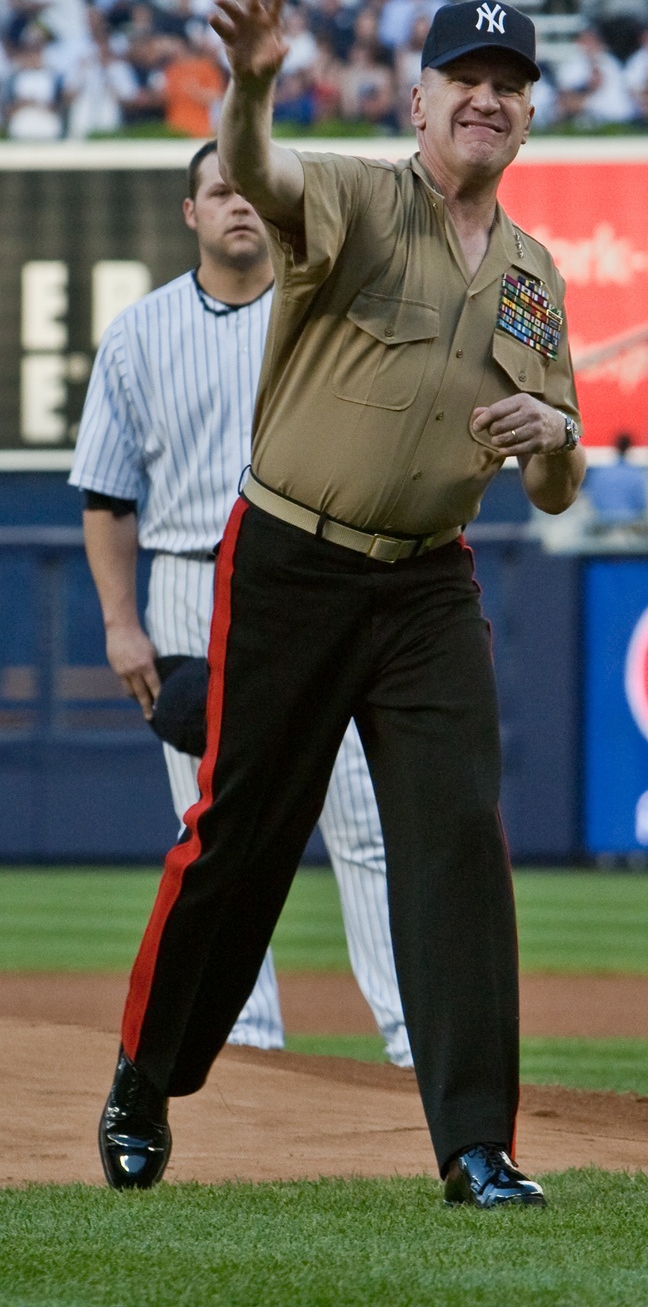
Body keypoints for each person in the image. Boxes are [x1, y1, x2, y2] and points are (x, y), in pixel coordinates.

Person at [97, 0, 584, 1210]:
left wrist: (555, 433)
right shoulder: (362, 197)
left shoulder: (531, 277)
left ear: (528, 116)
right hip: (293, 559)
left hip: (428, 581)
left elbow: (563, 485)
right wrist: (251, 82)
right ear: (417, 100)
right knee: (242, 836)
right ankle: (148, 1073)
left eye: (508, 82)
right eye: (464, 76)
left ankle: (476, 1145)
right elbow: (256, 169)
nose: (487, 96)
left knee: (457, 840)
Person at [71, 140, 411, 1068]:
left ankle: (409, 1035)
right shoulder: (139, 332)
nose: (237, 206)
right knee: (215, 833)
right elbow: (107, 496)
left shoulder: (316, 316)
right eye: (217, 191)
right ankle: (249, 1038)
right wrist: (119, 620)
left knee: (361, 823)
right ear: (191, 213)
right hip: (186, 578)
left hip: (310, 579)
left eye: (248, 190)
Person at [586, 432, 648, 533]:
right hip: (630, 526)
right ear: (630, 448)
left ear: (615, 447)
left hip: (603, 525)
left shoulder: (600, 473)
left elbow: (593, 499)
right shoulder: (637, 474)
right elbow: (642, 504)